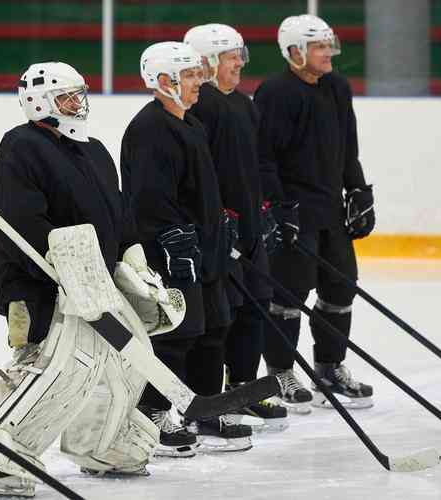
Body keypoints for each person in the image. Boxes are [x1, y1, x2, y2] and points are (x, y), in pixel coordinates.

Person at [0, 61, 185, 497]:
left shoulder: (94, 150)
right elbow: (20, 221)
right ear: (38, 102)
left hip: (98, 285)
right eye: (66, 97)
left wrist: (135, 266)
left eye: (78, 95)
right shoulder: (21, 146)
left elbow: (118, 218)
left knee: (124, 359)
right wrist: (65, 269)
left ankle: (103, 444)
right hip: (39, 285)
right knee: (56, 369)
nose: (76, 104)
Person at [254, 14, 376, 414]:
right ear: (294, 53)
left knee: (341, 290)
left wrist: (357, 190)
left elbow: (349, 148)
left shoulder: (338, 88)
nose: (328, 54)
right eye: (318, 47)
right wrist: (277, 205)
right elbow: (264, 157)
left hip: (330, 211)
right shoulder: (275, 93)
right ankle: (281, 372)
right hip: (294, 212)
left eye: (328, 45)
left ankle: (328, 367)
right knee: (288, 296)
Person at [122, 41, 236, 457]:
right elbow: (148, 200)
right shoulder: (149, 129)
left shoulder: (191, 124)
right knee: (176, 335)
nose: (198, 83)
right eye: (189, 76)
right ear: (163, 81)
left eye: (196, 74)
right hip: (171, 253)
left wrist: (220, 226)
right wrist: (172, 241)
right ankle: (151, 417)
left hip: (203, 249)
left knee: (214, 327)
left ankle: (202, 410)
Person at [184, 24, 288, 440]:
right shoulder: (201, 107)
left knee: (256, 305)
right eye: (231, 58)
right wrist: (217, 218)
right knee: (224, 311)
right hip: (219, 227)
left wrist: (267, 207)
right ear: (208, 62)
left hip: (247, 224)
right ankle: (213, 397)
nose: (240, 64)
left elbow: (258, 163)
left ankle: (243, 387)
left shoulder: (244, 105)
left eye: (240, 56)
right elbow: (201, 173)